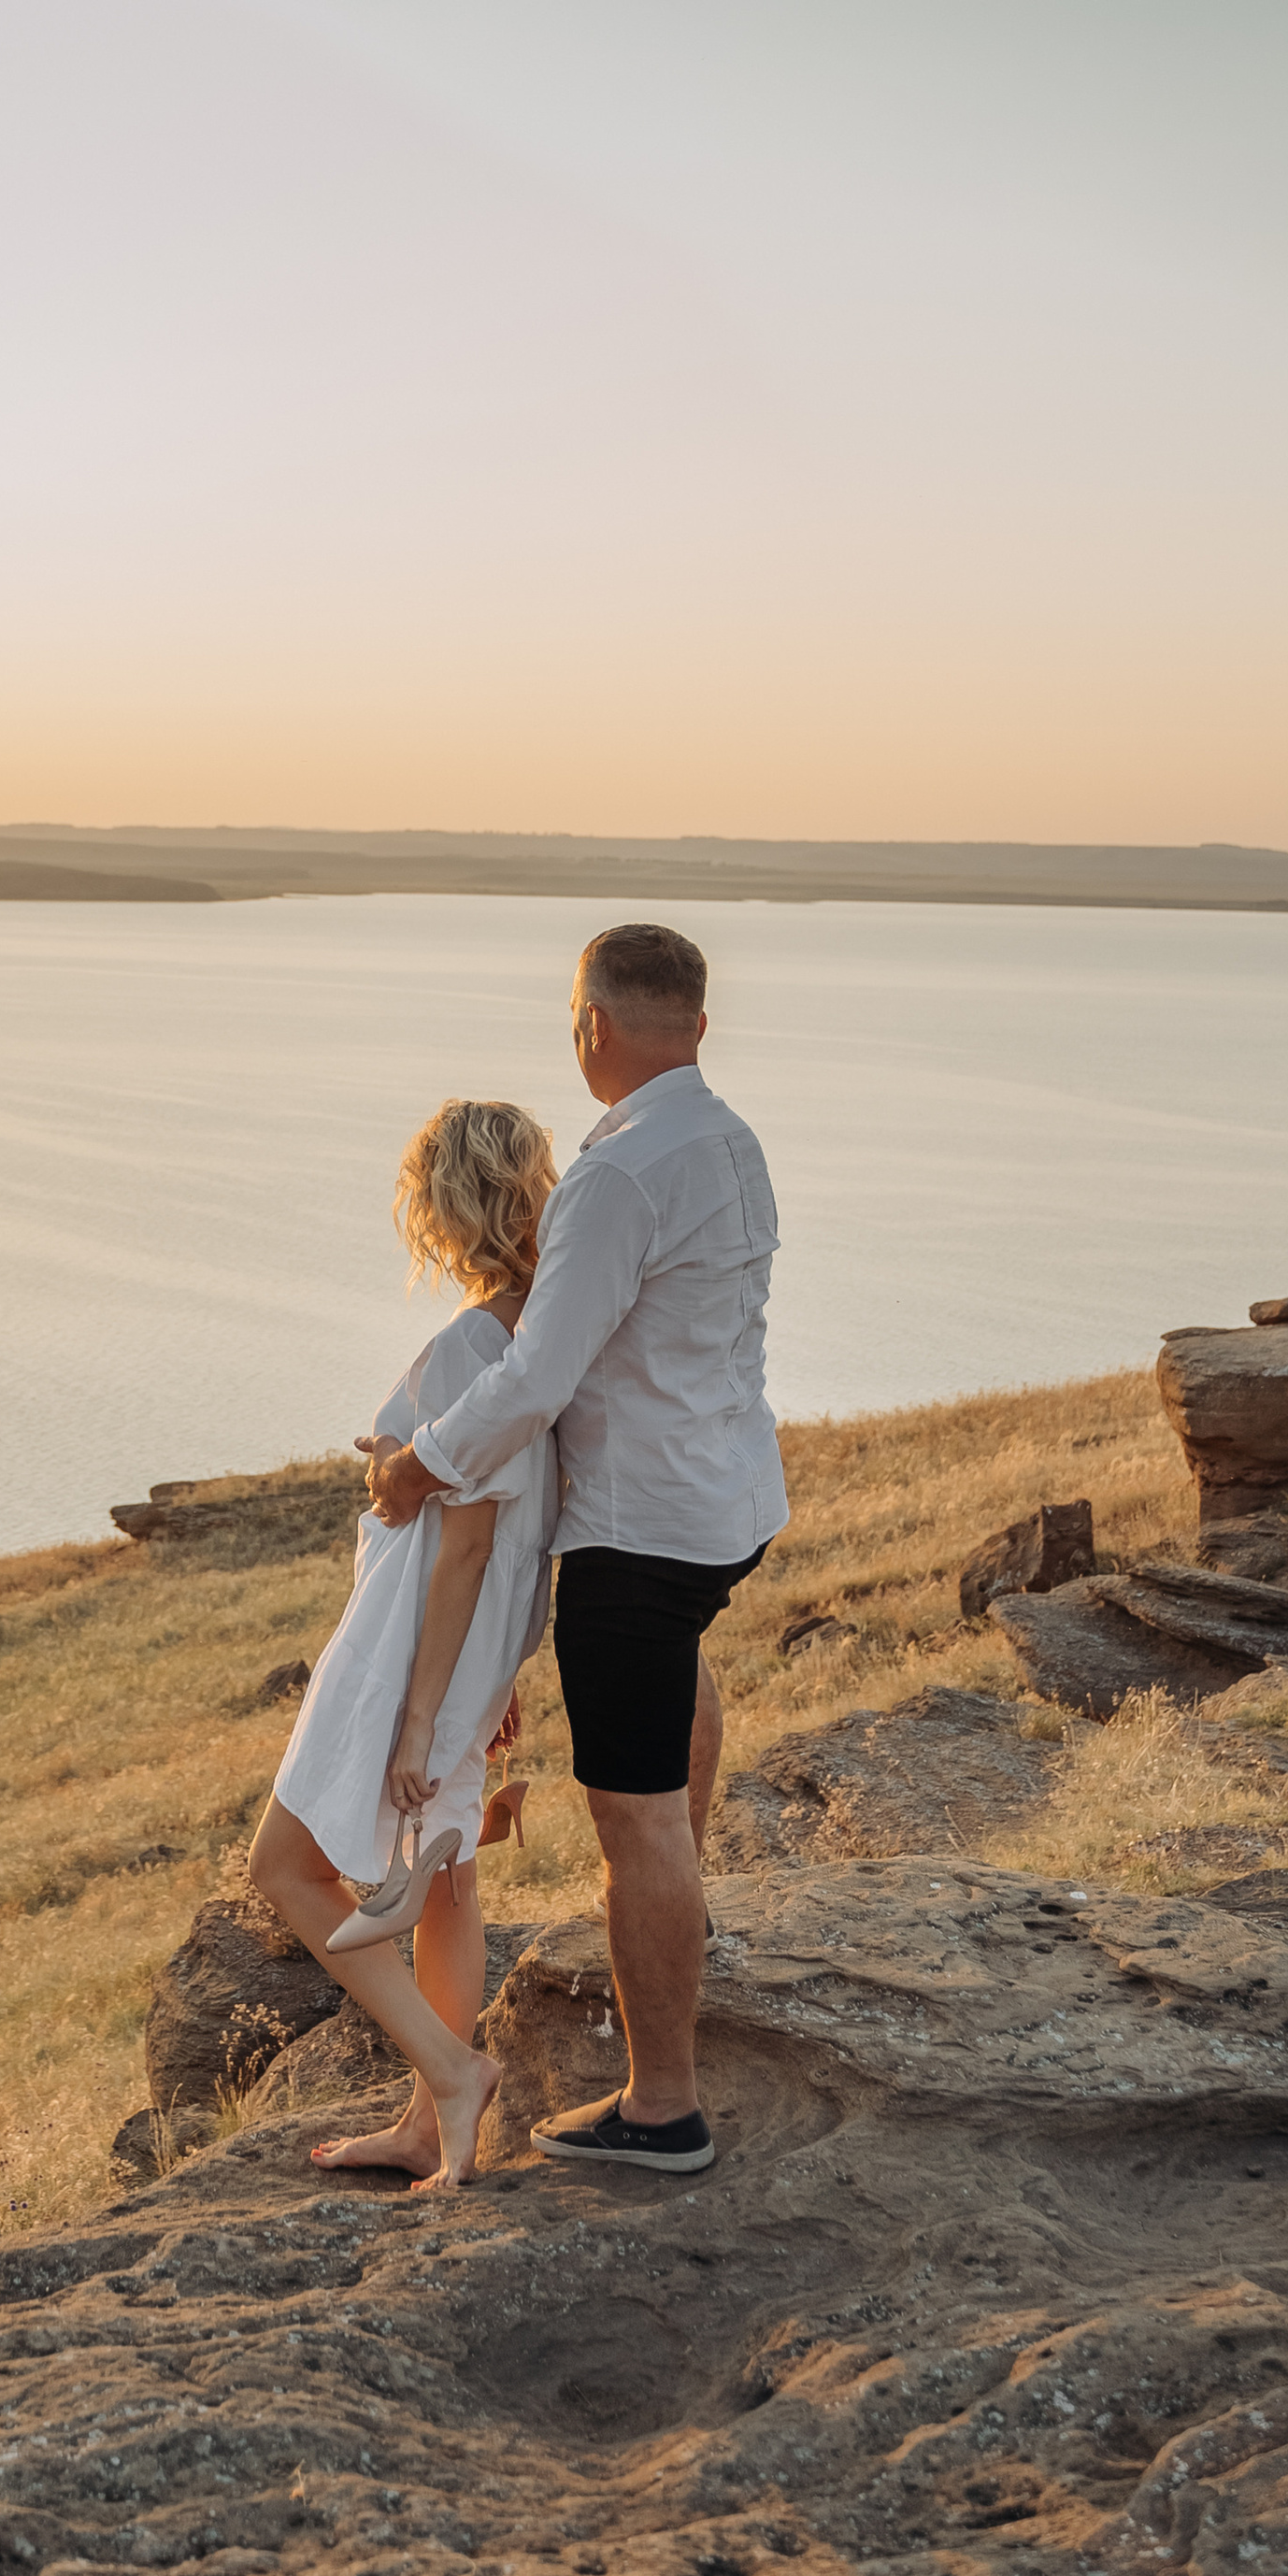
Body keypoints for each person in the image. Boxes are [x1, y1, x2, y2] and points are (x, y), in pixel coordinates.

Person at [367, 925, 784, 2178]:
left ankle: (663, 2108)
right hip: (722, 1506)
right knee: (681, 1684)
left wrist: (417, 1464)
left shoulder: (616, 1179)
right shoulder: (731, 1144)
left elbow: (538, 1376)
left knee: (632, 1816)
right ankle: (685, 1914)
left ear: (591, 1028)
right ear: (697, 1028)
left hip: (641, 1527)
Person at [247, 1098, 562, 2193]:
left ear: (442, 1207)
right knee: (449, 1881)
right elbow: (514, 1535)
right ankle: (428, 2126)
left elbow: (469, 1540)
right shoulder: (545, 1337)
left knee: (285, 1867)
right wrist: (499, 1672)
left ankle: (450, 2072)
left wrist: (422, 1711)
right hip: (469, 1645)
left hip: (406, 1650)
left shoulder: (473, 1343)